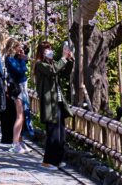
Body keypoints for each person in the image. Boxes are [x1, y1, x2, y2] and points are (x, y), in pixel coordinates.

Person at [34, 40, 73, 170]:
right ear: (41, 52)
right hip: (49, 103)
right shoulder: (40, 65)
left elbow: (64, 73)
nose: (50, 51)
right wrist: (62, 58)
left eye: (50, 48)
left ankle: (57, 159)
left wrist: (69, 60)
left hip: (58, 101)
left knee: (61, 132)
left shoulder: (52, 63)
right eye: (47, 49)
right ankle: (47, 161)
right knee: (53, 133)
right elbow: (53, 70)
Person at [3, 38, 30, 154]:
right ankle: (15, 144)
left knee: (22, 115)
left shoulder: (15, 58)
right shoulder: (9, 59)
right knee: (19, 116)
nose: (21, 48)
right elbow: (21, 71)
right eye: (19, 46)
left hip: (21, 87)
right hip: (17, 89)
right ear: (14, 47)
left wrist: (23, 57)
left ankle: (19, 141)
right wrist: (23, 60)